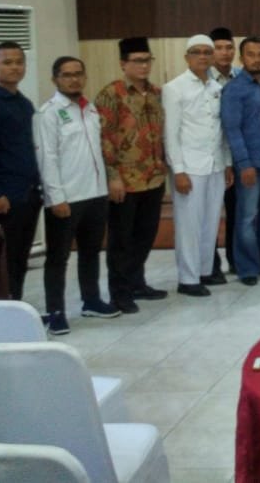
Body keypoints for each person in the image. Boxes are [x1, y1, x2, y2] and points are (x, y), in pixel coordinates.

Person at [35, 56, 120, 334]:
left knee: (90, 251)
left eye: (78, 74)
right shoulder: (48, 113)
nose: (74, 79)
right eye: (66, 75)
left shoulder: (90, 109)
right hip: (66, 198)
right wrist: (56, 197)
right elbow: (46, 157)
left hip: (95, 193)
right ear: (55, 80)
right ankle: (55, 311)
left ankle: (91, 300)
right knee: (58, 257)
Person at [96, 37, 168, 314]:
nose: (143, 65)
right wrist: (112, 176)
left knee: (145, 235)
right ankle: (119, 292)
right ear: (123, 64)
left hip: (153, 177)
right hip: (124, 181)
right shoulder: (111, 94)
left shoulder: (157, 93)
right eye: (137, 60)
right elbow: (105, 137)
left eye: (147, 59)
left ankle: (137, 283)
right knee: (121, 240)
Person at [162, 34, 233, 297]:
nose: (202, 56)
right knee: (189, 225)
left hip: (214, 164)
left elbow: (220, 129)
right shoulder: (175, 88)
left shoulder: (215, 87)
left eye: (207, 52)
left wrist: (226, 163)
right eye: (196, 52)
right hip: (189, 167)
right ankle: (188, 278)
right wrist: (178, 170)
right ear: (186, 57)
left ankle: (204, 272)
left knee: (210, 222)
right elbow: (171, 133)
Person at [221, 36, 260, 286]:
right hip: (250, 164)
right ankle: (247, 268)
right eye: (251, 54)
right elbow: (232, 130)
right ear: (241, 58)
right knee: (246, 218)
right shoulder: (234, 89)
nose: (256, 59)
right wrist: (243, 163)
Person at [0, 41, 41, 300]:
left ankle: (16, 308)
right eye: (7, 62)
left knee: (21, 259)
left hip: (28, 195)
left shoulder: (24, 103)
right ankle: (3, 316)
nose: (14, 67)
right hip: (5, 199)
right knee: (4, 263)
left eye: (19, 62)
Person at [208, 26, 239, 277]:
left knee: (237, 211)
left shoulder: (241, 78)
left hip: (237, 156)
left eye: (229, 47)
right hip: (209, 157)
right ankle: (210, 264)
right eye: (219, 48)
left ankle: (235, 258)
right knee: (209, 214)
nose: (225, 53)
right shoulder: (202, 80)